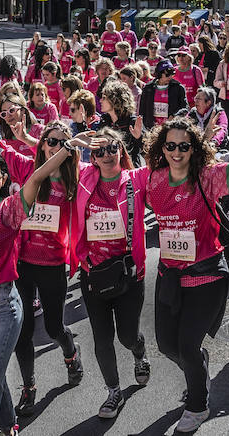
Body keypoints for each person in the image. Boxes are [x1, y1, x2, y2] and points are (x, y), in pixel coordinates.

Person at [142, 113, 229, 433]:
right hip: (170, 275)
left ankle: (197, 405)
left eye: (184, 145)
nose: (177, 151)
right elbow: (119, 181)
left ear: (194, 148)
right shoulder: (154, 178)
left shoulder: (207, 177)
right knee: (168, 346)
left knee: (185, 346)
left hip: (207, 275)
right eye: (170, 145)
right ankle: (199, 362)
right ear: (162, 147)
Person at [0, 132, 79, 436]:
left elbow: (35, 178)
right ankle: (9, 426)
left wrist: (67, 149)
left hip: (2, 307)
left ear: (3, 178)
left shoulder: (9, 210)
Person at [70, 127, 151, 420]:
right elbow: (48, 161)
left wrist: (145, 138)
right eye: (99, 150)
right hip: (93, 274)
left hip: (129, 274)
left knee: (128, 336)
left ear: (121, 150)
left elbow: (167, 164)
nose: (105, 154)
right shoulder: (83, 177)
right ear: (92, 156)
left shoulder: (136, 179)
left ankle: (139, 354)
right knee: (102, 339)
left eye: (111, 147)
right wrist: (73, 143)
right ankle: (113, 391)